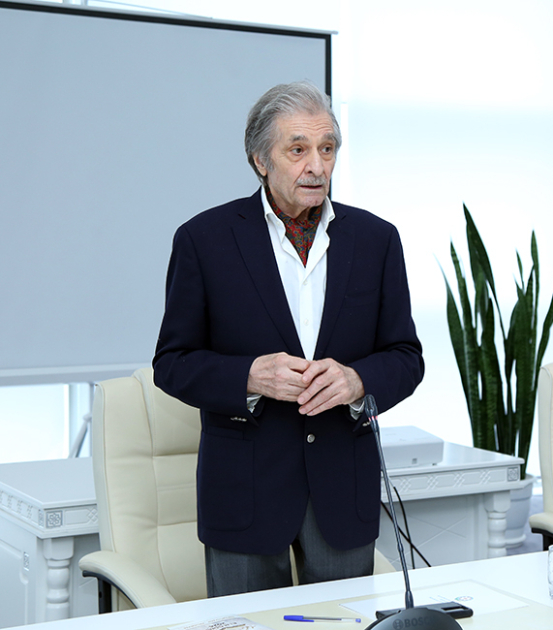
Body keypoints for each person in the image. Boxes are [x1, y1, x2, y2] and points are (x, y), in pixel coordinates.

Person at [153, 81, 424, 596]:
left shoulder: (377, 240)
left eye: (327, 149)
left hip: (343, 487)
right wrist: (249, 377)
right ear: (261, 160)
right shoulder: (204, 240)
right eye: (298, 150)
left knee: (344, 625)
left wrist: (357, 380)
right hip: (244, 492)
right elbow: (172, 362)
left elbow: (406, 357)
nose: (317, 166)